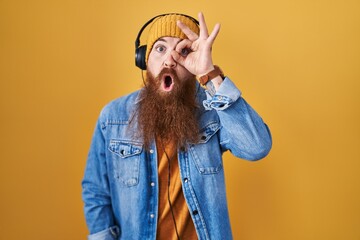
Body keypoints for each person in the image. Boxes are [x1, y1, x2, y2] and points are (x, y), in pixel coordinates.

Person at [82, 12, 272, 240]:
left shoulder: (213, 110)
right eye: (160, 49)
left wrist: (209, 74)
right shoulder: (113, 117)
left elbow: (257, 146)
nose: (170, 60)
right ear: (143, 58)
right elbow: (96, 192)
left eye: (184, 51)